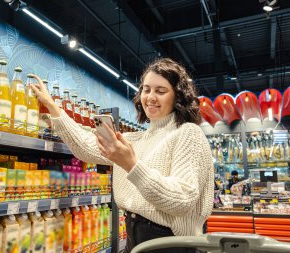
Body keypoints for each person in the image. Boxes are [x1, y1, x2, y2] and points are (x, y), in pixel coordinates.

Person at [31, 58, 213, 253]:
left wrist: (131, 164)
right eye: (146, 89)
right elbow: (85, 147)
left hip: (171, 243)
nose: (150, 97)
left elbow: (182, 201)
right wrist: (53, 107)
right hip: (133, 237)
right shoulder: (134, 139)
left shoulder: (188, 134)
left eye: (160, 91)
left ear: (178, 97)